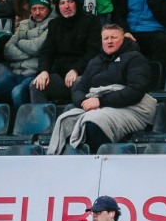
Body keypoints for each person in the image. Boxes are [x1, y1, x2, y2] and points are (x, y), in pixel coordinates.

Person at [47, 23, 156, 154]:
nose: (109, 41)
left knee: (94, 122)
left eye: (113, 37)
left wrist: (101, 101)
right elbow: (79, 88)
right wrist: (85, 102)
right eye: (106, 38)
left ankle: (107, 161)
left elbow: (135, 91)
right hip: (98, 105)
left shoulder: (135, 58)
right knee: (65, 119)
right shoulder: (95, 61)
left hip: (130, 108)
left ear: (123, 39)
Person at [30, 0, 102, 104]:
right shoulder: (54, 24)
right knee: (35, 85)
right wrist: (43, 71)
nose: (66, 6)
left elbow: (93, 52)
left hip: (82, 74)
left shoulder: (91, 21)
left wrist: (76, 69)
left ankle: (74, 119)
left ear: (77, 3)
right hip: (59, 75)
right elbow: (47, 51)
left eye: (70, 1)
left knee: (78, 83)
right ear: (58, 6)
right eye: (62, 3)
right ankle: (43, 121)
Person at [0, 0, 52, 107]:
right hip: (15, 73)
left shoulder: (53, 25)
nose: (37, 12)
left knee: (17, 93)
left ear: (48, 9)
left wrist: (20, 43)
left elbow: (36, 48)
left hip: (34, 74)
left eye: (41, 8)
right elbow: (8, 50)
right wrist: (31, 53)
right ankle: (2, 123)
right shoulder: (23, 24)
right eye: (34, 9)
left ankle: (24, 123)